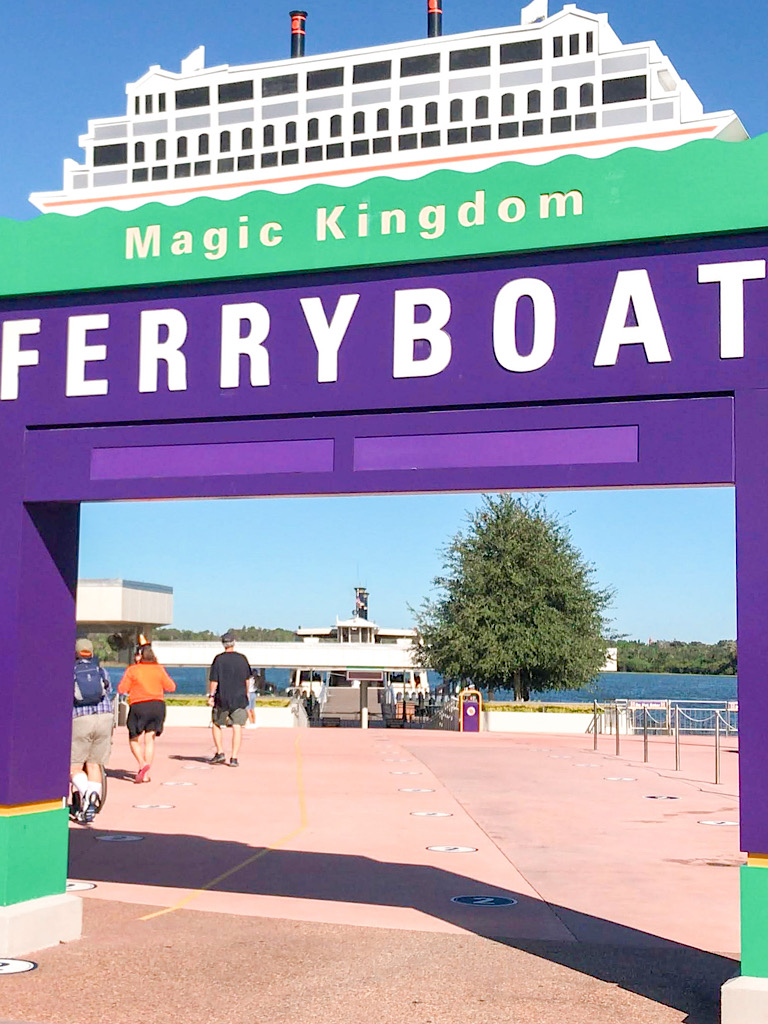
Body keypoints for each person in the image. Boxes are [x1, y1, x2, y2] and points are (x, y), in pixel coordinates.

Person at [117, 643, 176, 783]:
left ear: (139, 656)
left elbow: (121, 689)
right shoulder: (159, 669)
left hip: (139, 705)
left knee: (133, 739)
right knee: (150, 739)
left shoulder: (133, 670)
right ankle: (146, 774)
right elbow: (171, 687)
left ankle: (142, 764)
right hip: (157, 706)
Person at [71, 638, 114, 823]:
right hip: (105, 717)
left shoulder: (70, 671)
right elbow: (108, 691)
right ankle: (90, 807)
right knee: (94, 763)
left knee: (74, 766)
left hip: (81, 718)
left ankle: (88, 794)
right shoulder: (101, 671)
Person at [208, 633, 252, 767]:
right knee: (237, 726)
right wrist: (246, 693)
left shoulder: (219, 660)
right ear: (234, 643)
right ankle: (234, 757)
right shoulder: (242, 659)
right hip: (239, 697)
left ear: (223, 643)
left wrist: (211, 696)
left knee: (216, 723)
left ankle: (220, 752)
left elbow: (214, 680)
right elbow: (247, 679)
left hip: (222, 697)